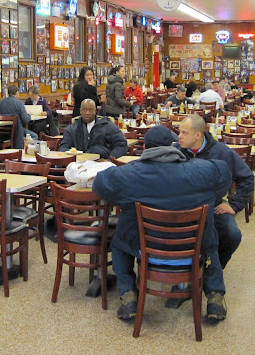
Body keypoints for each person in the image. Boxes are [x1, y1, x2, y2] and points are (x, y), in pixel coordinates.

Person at [92, 125, 232, 321]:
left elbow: (100, 183)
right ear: (172, 145)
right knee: (209, 240)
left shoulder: (129, 174)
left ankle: (129, 295)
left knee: (120, 242)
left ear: (145, 147)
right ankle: (215, 297)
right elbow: (224, 174)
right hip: (193, 250)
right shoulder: (204, 170)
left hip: (146, 249)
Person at [175, 115, 254, 270]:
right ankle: (184, 270)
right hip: (181, 206)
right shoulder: (175, 151)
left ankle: (212, 269)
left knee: (232, 235)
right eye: (179, 132)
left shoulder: (222, 153)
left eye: (184, 133)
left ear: (198, 135)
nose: (179, 136)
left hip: (213, 205)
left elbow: (247, 178)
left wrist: (235, 205)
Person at [59, 99, 128, 159]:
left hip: (103, 167)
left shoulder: (108, 126)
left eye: (90, 110)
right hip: (78, 166)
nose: (87, 113)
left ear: (95, 111)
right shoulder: (71, 129)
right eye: (84, 110)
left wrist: (109, 160)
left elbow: (121, 145)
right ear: (80, 111)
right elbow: (64, 148)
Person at [0, 84, 36, 148]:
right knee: (34, 136)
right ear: (17, 93)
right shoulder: (19, 103)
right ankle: (27, 152)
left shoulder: (1, 102)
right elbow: (26, 120)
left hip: (1, 132)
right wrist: (29, 115)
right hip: (16, 132)